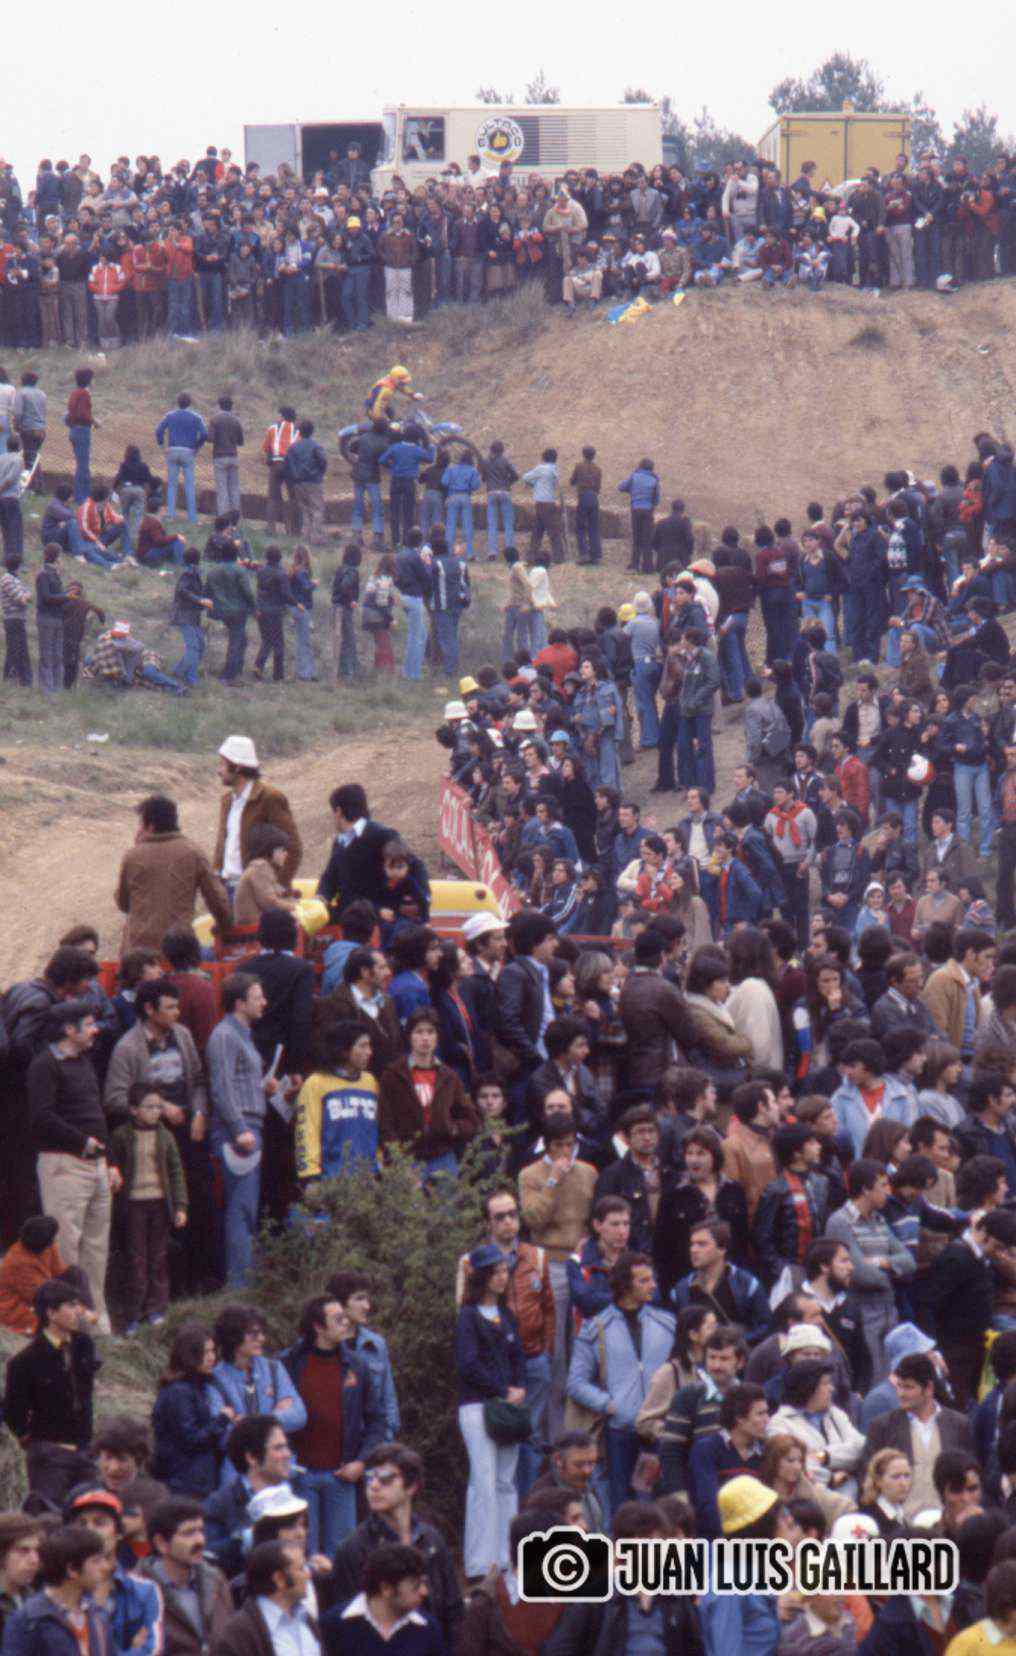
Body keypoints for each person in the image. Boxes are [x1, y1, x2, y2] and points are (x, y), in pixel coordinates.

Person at [456, 1188, 554, 1497]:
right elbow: (464, 1308)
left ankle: (529, 1507)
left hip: (531, 1359)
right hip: (492, 1370)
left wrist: (544, 1350)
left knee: (530, 1438)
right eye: (500, 1217)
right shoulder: (470, 1262)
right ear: (488, 1222)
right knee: (494, 1454)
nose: (508, 1222)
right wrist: (500, 1384)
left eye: (513, 1214)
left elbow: (549, 1307)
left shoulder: (537, 1256)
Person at [567, 1250, 675, 1518]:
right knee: (622, 1507)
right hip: (620, 1430)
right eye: (643, 1280)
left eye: (652, 1279)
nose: (653, 1285)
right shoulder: (596, 1327)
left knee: (655, 1504)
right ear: (625, 1285)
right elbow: (576, 1381)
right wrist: (609, 1405)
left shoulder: (666, 1324)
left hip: (657, 1429)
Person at [282, 1294, 385, 1556]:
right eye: (338, 1319)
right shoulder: (289, 1363)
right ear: (318, 1326)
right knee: (303, 1554)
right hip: (299, 1475)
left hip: (342, 1475)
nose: (346, 1323)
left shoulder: (356, 1365)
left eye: (345, 1317)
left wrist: (361, 1462)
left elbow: (377, 1420)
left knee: (343, 1555)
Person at [454, 1244, 527, 1581]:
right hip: (478, 1406)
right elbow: (468, 1365)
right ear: (482, 1276)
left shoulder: (507, 1315)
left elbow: (519, 1358)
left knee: (505, 1482)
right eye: (495, 1272)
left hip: (507, 1408)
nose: (502, 1277)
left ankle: (504, 1557)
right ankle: (479, 1563)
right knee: (483, 1481)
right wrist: (502, 1389)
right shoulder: (468, 1317)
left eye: (504, 1271)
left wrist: (519, 1387)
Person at [207, 973, 278, 1285]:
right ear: (239, 1003)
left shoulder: (243, 1034)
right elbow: (221, 1087)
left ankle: (243, 1280)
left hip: (250, 1126)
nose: (264, 1002)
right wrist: (238, 1129)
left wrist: (266, 1088)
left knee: (246, 1207)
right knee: (242, 1208)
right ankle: (239, 1285)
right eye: (257, 997)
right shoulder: (225, 1035)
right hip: (240, 1131)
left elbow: (237, 1084)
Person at [2, 1280, 98, 1507]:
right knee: (49, 1517)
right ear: (51, 1313)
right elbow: (14, 1413)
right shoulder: (25, 1361)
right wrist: (36, 1443)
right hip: (49, 1457)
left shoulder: (83, 1345)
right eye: (71, 1305)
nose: (78, 1311)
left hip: (85, 1451)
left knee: (88, 1512)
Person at [824, 1158, 917, 1383]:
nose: (889, 1191)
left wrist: (879, 1262)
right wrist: (892, 1273)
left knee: (893, 1378)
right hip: (862, 1311)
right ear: (866, 1189)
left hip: (888, 1310)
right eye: (883, 1185)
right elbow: (860, 1273)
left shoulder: (879, 1220)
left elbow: (909, 1262)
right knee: (872, 1378)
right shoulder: (840, 1222)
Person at [109, 1082, 188, 1334]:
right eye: (149, 1107)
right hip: (133, 1205)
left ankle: (157, 1310)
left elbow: (176, 1172)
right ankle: (133, 1314)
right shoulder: (121, 1136)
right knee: (136, 1260)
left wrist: (180, 1206)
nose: (155, 1112)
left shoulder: (166, 1137)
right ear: (134, 1109)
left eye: (158, 1107)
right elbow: (114, 1167)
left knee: (159, 1258)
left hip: (159, 1205)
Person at [116, 793, 231, 953]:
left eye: (141, 823)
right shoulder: (193, 852)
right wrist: (223, 927)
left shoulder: (132, 856)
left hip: (138, 952)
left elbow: (123, 903)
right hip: (179, 950)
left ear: (150, 826)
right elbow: (217, 899)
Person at [138, 1498, 234, 1656]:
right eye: (188, 1533)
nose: (200, 1540)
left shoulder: (216, 1581)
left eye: (201, 1531)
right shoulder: (139, 1592)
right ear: (161, 1543)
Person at [151, 1322, 234, 1497]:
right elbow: (191, 1439)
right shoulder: (179, 1392)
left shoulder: (196, 1386)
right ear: (190, 1355)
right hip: (184, 1483)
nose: (211, 1358)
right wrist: (222, 1420)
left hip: (196, 1480)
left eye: (212, 1351)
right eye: (205, 1352)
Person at [214, 735, 302, 896]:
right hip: (228, 889)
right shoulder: (227, 801)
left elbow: (293, 847)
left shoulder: (270, 798)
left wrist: (277, 888)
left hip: (256, 893)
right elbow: (223, 846)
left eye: (222, 764)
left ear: (238, 767)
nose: (218, 771)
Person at [321, 1542, 443, 1656]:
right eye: (415, 1585)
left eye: (424, 1583)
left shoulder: (428, 1629)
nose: (424, 1592)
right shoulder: (333, 1626)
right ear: (386, 1588)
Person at [1, 1527, 107, 1656]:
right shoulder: (29, 1619)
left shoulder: (97, 1615)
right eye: (96, 1561)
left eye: (37, 1552)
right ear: (72, 1569)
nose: (34, 1560)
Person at [213, 1540, 317, 1656]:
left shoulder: (305, 1619)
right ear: (279, 1579)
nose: (309, 1575)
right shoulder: (239, 1634)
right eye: (301, 1569)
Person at [155, 393, 207, 524]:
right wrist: (196, 447)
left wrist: (162, 445)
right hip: (188, 451)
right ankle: (192, 518)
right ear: (189, 403)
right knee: (189, 485)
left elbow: (158, 430)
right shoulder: (196, 417)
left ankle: (170, 515)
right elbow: (204, 434)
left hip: (173, 450)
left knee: (172, 484)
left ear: (178, 402)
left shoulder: (170, 415)